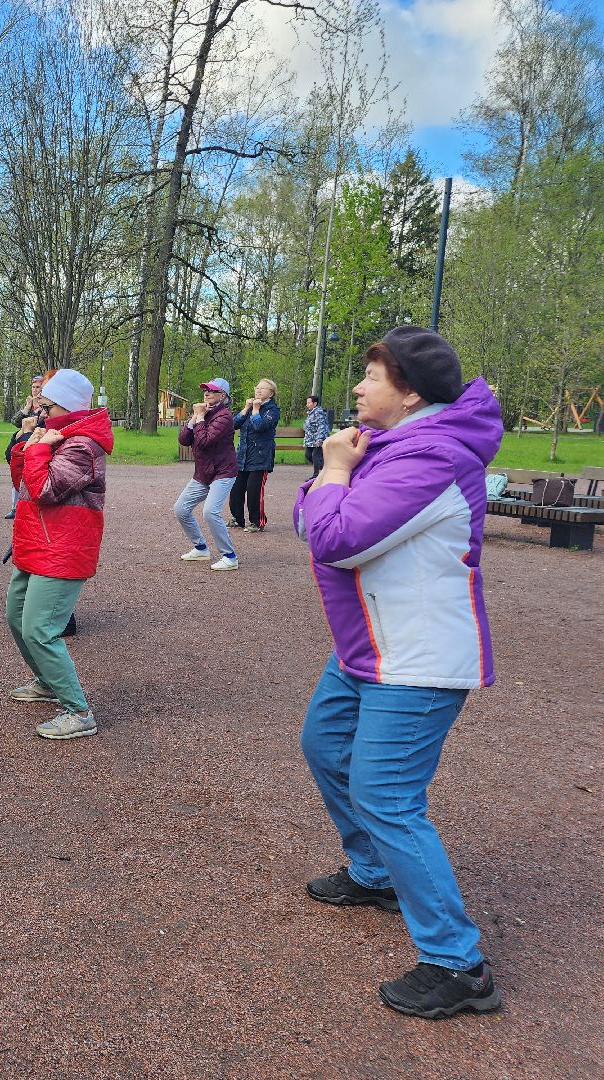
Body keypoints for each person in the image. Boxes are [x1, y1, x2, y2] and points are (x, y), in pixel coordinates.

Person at [294, 326, 503, 1019]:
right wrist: (333, 478)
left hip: (415, 659)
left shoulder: (435, 455)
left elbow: (335, 536)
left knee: (387, 796)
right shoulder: (385, 446)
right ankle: (377, 872)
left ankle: (457, 963)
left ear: (410, 392)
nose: (357, 387)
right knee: (324, 747)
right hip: (367, 647)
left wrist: (332, 473)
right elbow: (310, 513)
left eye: (372, 377)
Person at [5, 368, 112, 740]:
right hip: (37, 542)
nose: (39, 411)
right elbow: (22, 483)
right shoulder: (58, 436)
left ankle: (78, 711)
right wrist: (27, 445)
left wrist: (37, 448)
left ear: (64, 405)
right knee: (16, 616)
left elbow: (46, 489)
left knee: (39, 629)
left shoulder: (82, 445)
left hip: (63, 548)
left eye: (45, 405)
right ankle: (48, 682)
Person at [174, 378, 239, 571]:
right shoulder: (203, 413)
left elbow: (204, 441)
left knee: (210, 512)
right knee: (181, 509)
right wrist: (194, 418)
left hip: (223, 471)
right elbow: (184, 440)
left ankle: (230, 557)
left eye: (211, 390)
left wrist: (200, 417)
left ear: (223, 395)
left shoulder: (225, 416)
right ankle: (201, 548)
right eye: (205, 390)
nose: (206, 393)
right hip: (204, 472)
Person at [229, 377, 280, 531]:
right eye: (257, 387)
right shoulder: (250, 407)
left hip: (260, 457)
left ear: (270, 394)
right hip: (243, 456)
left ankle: (257, 522)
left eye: (262, 388)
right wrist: (246, 408)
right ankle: (238, 519)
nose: (258, 390)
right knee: (236, 489)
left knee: (254, 491)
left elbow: (260, 426)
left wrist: (256, 410)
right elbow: (233, 424)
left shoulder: (273, 410)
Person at [5, 374, 47, 519]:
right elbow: (15, 422)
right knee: (16, 471)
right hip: (20, 441)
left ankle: (23, 507)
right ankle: (14, 507)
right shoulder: (30, 406)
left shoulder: (46, 406)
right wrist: (27, 407)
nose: (35, 390)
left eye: (38, 387)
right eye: (33, 387)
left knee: (28, 476)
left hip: (35, 443)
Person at [303, 393, 329, 478]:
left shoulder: (318, 413)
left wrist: (320, 439)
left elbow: (322, 426)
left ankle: (316, 475)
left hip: (318, 439)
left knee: (315, 456)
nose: (307, 404)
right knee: (308, 455)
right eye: (307, 403)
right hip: (310, 440)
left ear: (315, 404)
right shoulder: (310, 413)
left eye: (309, 403)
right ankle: (326, 468)